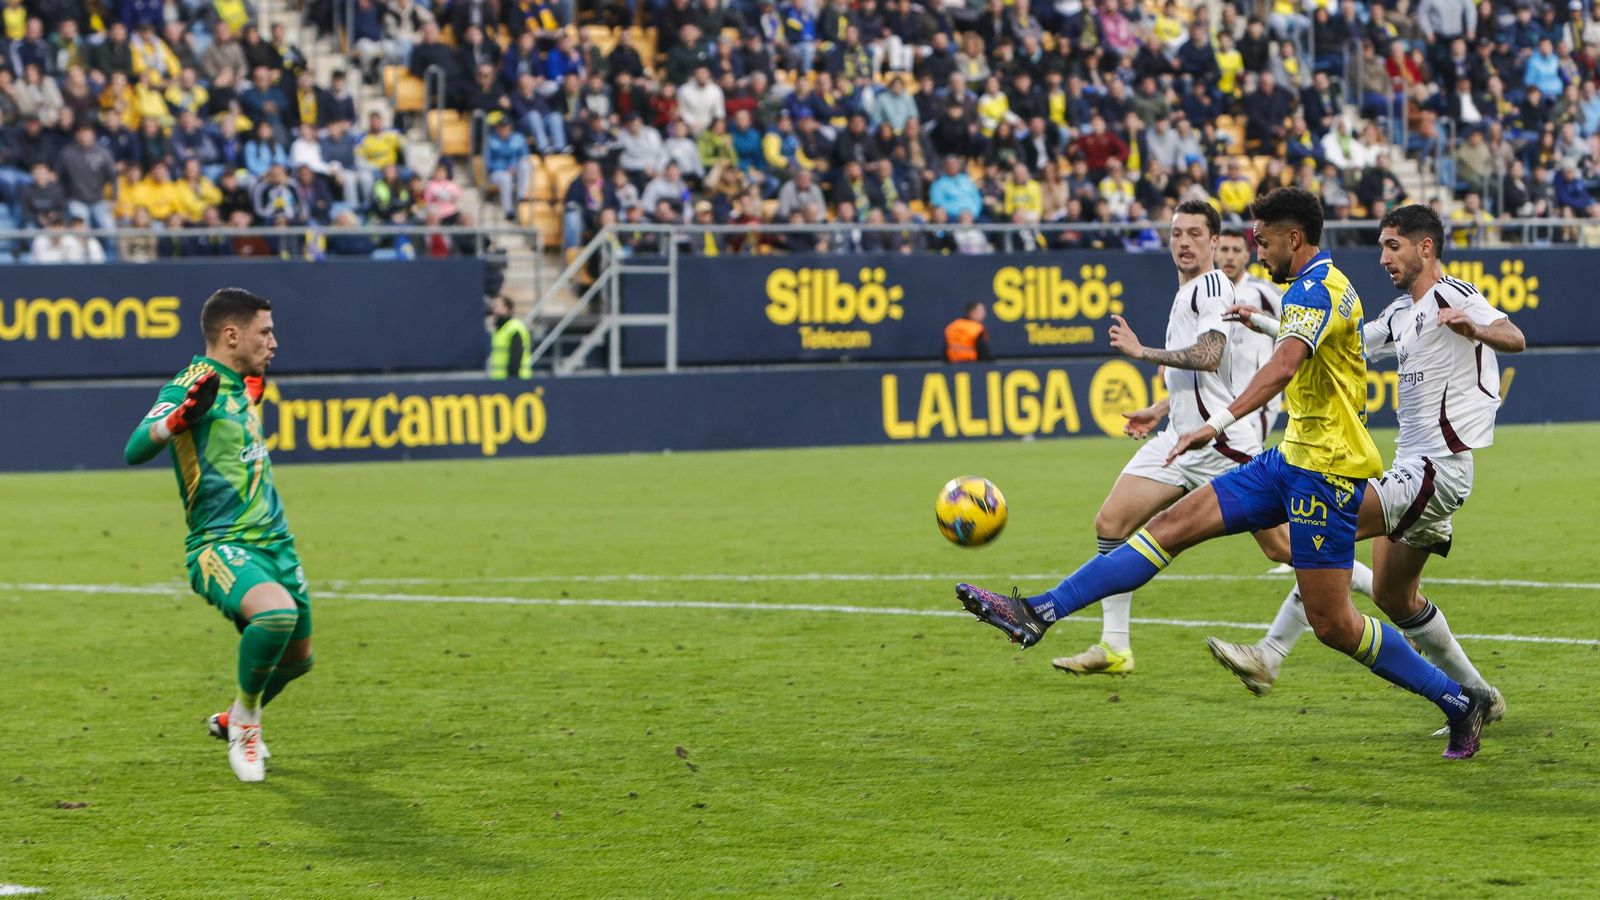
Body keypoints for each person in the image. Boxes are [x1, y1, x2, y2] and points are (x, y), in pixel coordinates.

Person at [953, 188, 1495, 759]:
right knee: (1171, 526)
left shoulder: (1321, 287)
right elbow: (1308, 353)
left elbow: (1287, 364)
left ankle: (1460, 702)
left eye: (1262, 241)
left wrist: (1217, 423)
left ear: (1293, 238)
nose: (1255, 251)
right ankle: (1038, 611)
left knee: (1334, 623)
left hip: (1327, 475)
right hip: (1289, 458)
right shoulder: (1304, 291)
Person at [1206, 204, 1522, 733]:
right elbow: (1345, 340)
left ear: (1426, 248)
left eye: (1392, 246)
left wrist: (1476, 327)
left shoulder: (1454, 296)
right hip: (1414, 470)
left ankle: (1269, 654)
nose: (1383, 258)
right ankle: (1481, 696)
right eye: (1380, 246)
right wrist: (1265, 321)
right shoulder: (1401, 315)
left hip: (1435, 469)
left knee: (1321, 530)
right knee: (1393, 596)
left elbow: (1515, 336)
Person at [1048, 200, 1294, 677]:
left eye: (1195, 234)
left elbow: (1208, 354)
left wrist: (1140, 351)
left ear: (1214, 242)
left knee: (1285, 547)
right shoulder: (1189, 291)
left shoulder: (1211, 285)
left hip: (1221, 444)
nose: (1184, 242)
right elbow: (1208, 376)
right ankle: (1114, 646)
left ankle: (1373, 585)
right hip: (1178, 439)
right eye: (1177, 233)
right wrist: (1160, 407)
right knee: (1111, 522)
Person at [122, 288, 311, 783]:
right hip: (219, 544)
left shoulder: (245, 382)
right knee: (275, 616)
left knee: (297, 662)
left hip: (276, 542)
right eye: (265, 331)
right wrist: (177, 419)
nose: (274, 341)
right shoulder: (193, 384)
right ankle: (247, 724)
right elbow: (135, 447)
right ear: (232, 334)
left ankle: (230, 717)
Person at [1215, 228, 1286, 445]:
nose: (1229, 256)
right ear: (1215, 253)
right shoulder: (1208, 293)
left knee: (1242, 461)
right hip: (1220, 396)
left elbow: (1294, 325)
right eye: (1224, 249)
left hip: (1258, 396)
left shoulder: (1263, 291)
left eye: (1236, 250)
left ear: (1247, 255)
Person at [486, 295, 533, 379]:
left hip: (516, 379)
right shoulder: (500, 330)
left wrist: (512, 379)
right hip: (499, 379)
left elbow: (517, 354)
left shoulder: (514, 327)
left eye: (497, 306)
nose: (494, 310)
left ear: (506, 308)